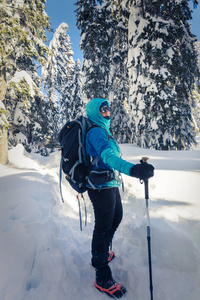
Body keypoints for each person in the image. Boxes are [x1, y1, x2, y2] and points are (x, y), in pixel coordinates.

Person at [85, 98, 154, 298]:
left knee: (116, 218)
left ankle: (103, 251)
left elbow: (110, 158)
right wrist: (132, 169)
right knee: (104, 226)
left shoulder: (103, 130)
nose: (107, 111)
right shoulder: (96, 131)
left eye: (108, 108)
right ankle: (101, 274)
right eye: (102, 109)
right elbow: (108, 157)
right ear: (95, 112)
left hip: (109, 183)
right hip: (99, 186)